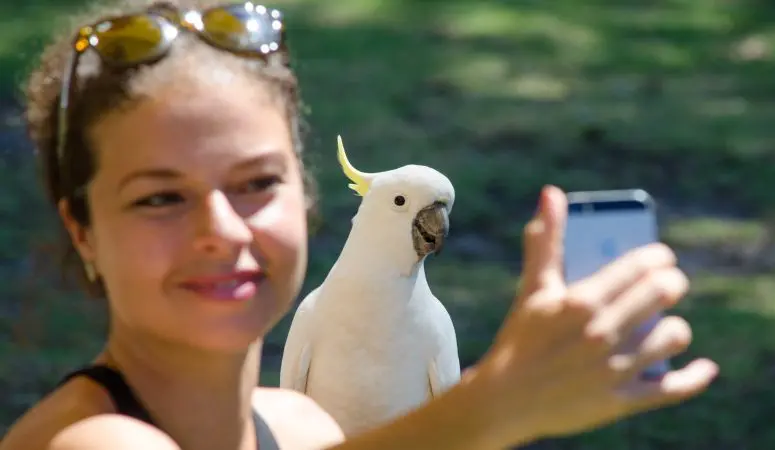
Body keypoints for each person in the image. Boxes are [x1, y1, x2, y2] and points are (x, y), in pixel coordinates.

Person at [0, 0, 719, 449]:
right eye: (160, 197)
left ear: (307, 201)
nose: (222, 229)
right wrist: (493, 407)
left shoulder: (301, 427)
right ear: (82, 230)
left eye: (257, 183)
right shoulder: (92, 440)